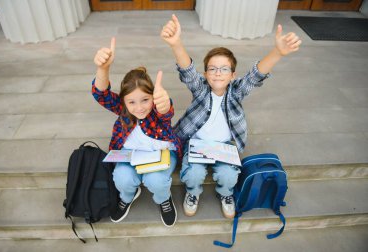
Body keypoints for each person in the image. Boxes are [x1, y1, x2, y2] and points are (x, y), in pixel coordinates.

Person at [161, 15, 301, 219]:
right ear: (206, 74)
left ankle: (226, 195)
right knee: (194, 173)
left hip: (224, 146)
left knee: (228, 175)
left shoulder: (236, 92)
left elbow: (256, 76)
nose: (218, 73)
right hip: (197, 144)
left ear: (233, 75)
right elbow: (187, 71)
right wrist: (176, 44)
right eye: (212, 69)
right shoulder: (201, 89)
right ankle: (193, 192)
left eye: (224, 69)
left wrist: (278, 52)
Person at [92, 37, 183, 227]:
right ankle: (128, 196)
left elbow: (166, 111)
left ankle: (163, 199)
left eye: (145, 100)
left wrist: (164, 103)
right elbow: (101, 94)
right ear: (123, 102)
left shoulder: (158, 111)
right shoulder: (123, 109)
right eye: (132, 102)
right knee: (122, 178)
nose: (139, 108)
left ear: (152, 97)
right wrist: (103, 69)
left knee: (156, 180)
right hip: (130, 155)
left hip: (161, 154)